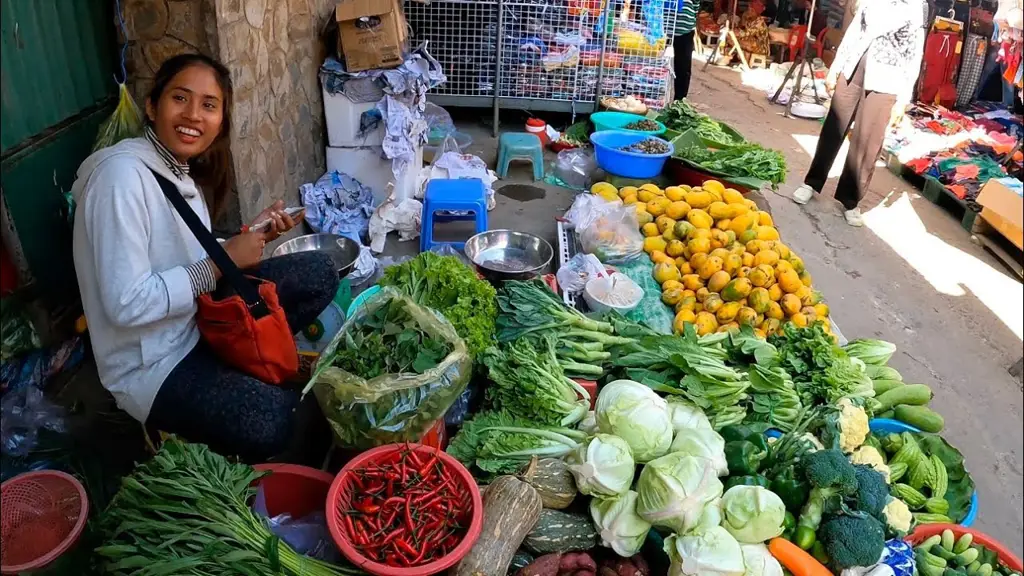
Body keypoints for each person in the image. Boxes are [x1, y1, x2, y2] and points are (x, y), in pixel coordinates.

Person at [71, 54, 339, 461]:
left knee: (319, 271)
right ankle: (189, 410)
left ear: (221, 120)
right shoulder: (120, 179)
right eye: (180, 98)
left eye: (209, 105)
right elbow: (125, 303)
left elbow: (184, 249)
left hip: (196, 318)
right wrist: (219, 263)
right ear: (152, 105)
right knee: (277, 421)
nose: (193, 115)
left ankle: (240, 365)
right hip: (153, 363)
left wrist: (248, 236)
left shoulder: (176, 170)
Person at [790, 0, 927, 226]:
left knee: (867, 141)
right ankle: (812, 183)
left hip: (887, 78)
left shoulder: (915, 5)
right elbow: (854, 31)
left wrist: (904, 98)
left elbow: (914, 53)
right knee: (834, 127)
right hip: (853, 66)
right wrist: (835, 68)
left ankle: (850, 200)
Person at [673, 0, 699, 99]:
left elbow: (696, 4)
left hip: (685, 29)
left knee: (683, 68)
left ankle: (679, 101)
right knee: (656, 64)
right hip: (661, 27)